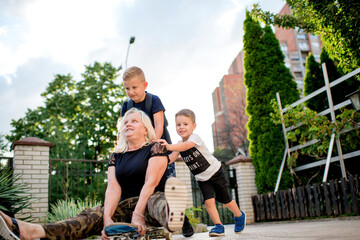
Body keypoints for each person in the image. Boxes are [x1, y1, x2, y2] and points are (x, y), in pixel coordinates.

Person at [0, 108, 188, 240]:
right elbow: (113, 187)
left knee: (158, 202)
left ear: (145, 128)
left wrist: (138, 213)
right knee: (92, 214)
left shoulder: (155, 147)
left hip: (148, 201)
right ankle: (30, 231)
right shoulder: (116, 155)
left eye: (134, 121)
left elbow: (150, 182)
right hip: (125, 205)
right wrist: (107, 219)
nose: (128, 124)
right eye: (125, 122)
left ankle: (173, 215)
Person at [120, 66, 194, 237]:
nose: (131, 92)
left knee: (166, 185)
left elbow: (158, 125)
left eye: (134, 87)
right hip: (139, 151)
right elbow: (124, 127)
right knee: (144, 186)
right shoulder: (126, 106)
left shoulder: (154, 100)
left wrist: (152, 146)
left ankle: (184, 221)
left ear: (145, 84)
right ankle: (141, 222)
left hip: (159, 149)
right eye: (127, 88)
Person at [157, 109, 246, 237]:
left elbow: (186, 146)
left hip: (215, 172)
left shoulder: (194, 138)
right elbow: (171, 158)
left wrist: (169, 146)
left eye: (185, 124)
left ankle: (239, 215)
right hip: (202, 178)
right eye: (178, 124)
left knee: (225, 199)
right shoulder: (178, 144)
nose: (181, 127)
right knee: (208, 202)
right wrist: (160, 158)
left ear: (194, 126)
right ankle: (218, 226)